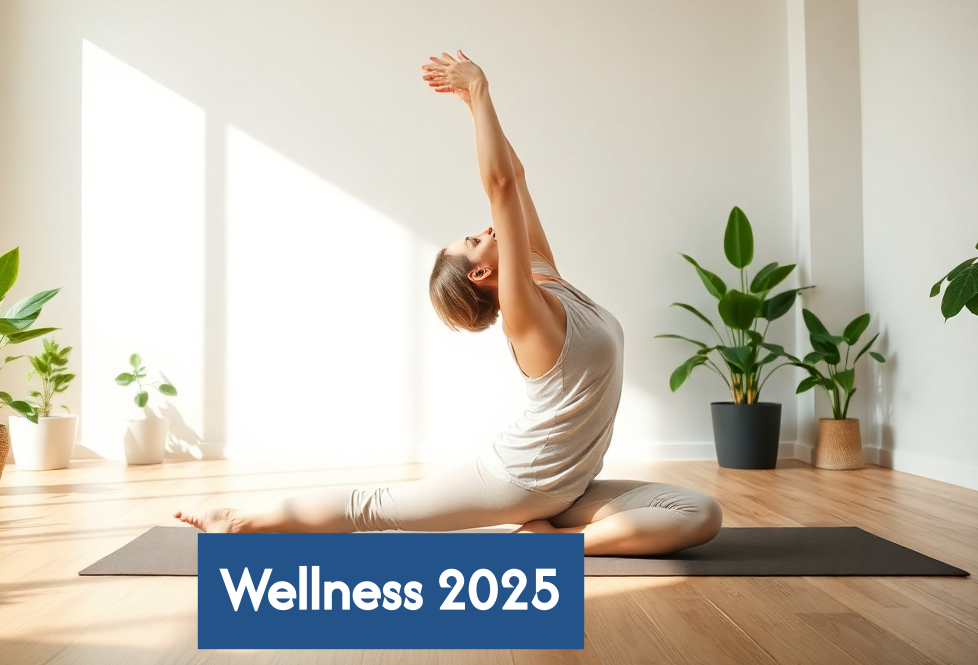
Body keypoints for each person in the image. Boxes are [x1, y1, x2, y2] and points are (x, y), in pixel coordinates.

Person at [175, 52, 722, 555]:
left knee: (699, 512)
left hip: (567, 483)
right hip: (521, 478)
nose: (485, 228)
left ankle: (543, 535)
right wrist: (480, 90)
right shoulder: (528, 314)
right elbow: (500, 187)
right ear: (484, 273)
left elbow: (517, 180)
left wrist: (472, 110)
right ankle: (238, 522)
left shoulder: (544, 277)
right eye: (474, 239)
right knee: (376, 509)